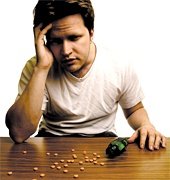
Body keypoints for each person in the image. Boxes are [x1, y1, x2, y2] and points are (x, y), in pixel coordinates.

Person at [6, 0, 166, 151]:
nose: (66, 51)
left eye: (74, 38)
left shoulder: (118, 65)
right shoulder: (37, 67)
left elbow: (133, 110)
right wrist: (41, 68)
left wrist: (145, 125)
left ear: (91, 32)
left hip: (102, 141)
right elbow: (19, 133)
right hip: (51, 141)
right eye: (56, 41)